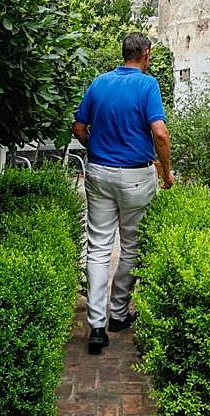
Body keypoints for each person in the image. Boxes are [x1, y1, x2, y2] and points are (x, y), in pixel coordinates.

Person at [72, 32, 173, 355]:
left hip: (99, 173)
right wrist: (166, 172)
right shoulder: (147, 85)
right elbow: (160, 133)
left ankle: (96, 326)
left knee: (99, 247)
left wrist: (95, 148)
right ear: (146, 54)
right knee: (131, 246)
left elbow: (78, 127)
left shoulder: (99, 83)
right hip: (136, 177)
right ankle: (118, 315)